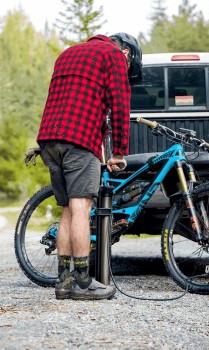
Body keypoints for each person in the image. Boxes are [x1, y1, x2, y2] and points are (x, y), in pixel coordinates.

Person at [37, 33, 142, 300]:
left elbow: (62, 99)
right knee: (82, 208)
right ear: (127, 53)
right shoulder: (114, 56)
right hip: (79, 141)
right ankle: (83, 285)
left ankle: (64, 283)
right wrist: (119, 152)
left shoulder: (68, 53)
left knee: (67, 211)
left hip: (50, 139)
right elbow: (120, 105)